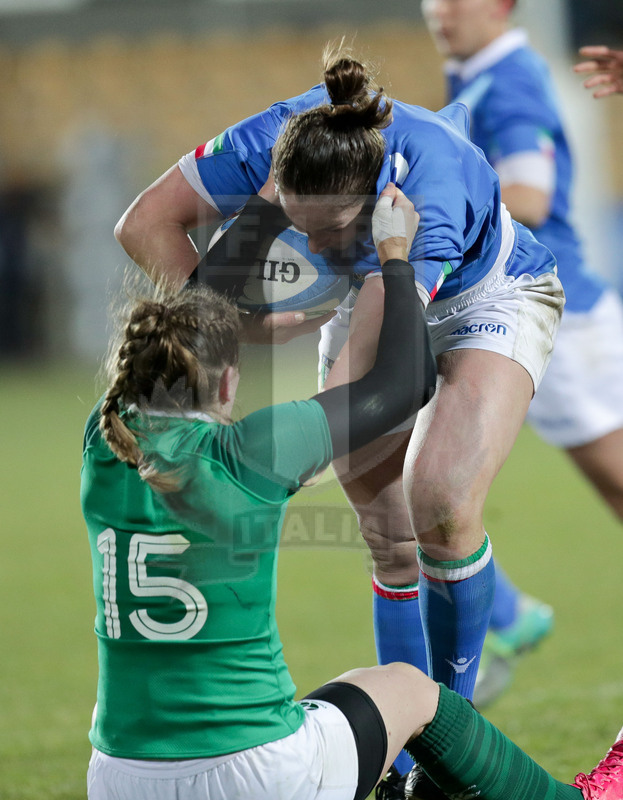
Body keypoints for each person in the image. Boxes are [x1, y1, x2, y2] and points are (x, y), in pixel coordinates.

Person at [115, 43, 564, 797]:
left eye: (330, 233)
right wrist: (236, 329)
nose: (313, 248)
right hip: (375, 280)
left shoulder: (432, 196)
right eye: (300, 228)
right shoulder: (273, 143)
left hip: (488, 294)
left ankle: (448, 741)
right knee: (388, 533)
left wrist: (275, 452)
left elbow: (394, 380)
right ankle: (405, 759)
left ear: (376, 203)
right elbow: (144, 226)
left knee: (442, 500)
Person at [87, 191, 622, 800]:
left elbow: (200, 308)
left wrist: (265, 207)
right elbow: (400, 386)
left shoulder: (104, 444)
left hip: (118, 775)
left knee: (351, 693)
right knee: (412, 692)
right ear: (229, 379)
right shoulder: (251, 453)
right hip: (255, 774)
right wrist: (396, 258)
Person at [421, 0, 623, 711]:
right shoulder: (470, 71)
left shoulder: (507, 81)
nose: (438, 10)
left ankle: (504, 616)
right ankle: (503, 613)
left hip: (551, 314)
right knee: (401, 458)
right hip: (499, 305)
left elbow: (530, 197)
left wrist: (430, 204)